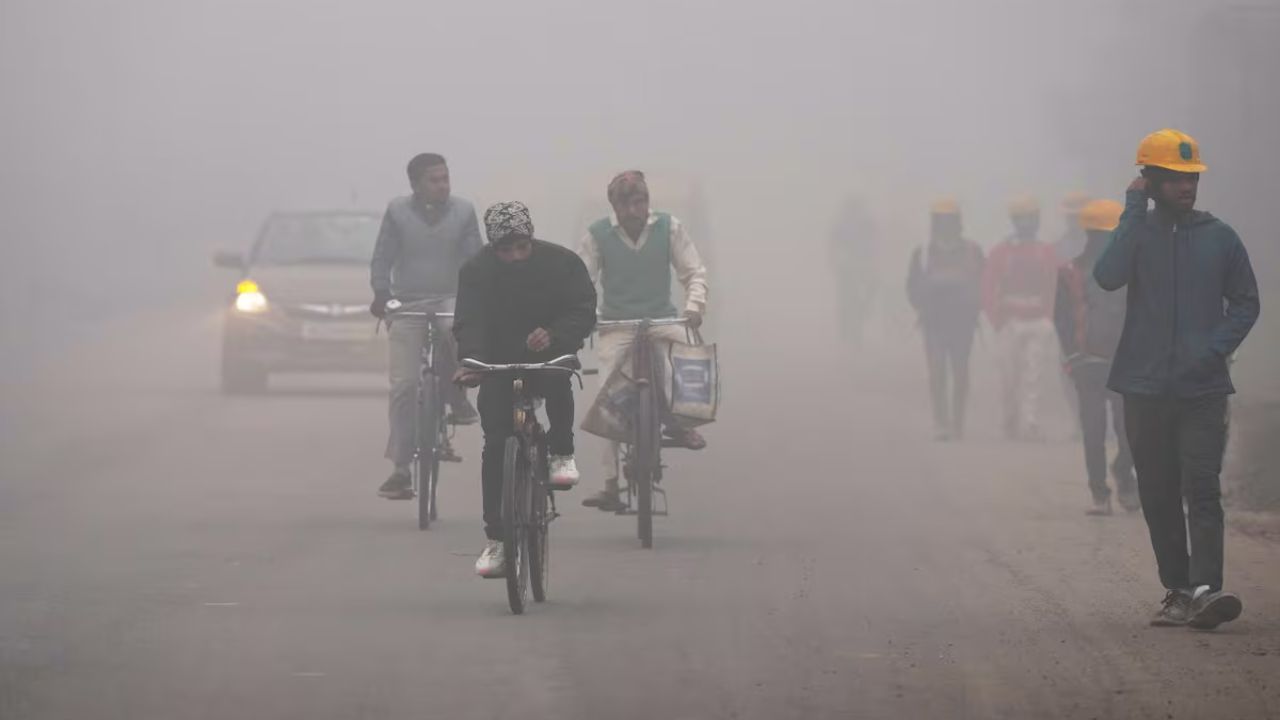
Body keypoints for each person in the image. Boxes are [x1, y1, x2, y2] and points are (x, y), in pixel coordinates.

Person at [1095, 129, 1259, 629]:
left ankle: (1208, 589)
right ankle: (1179, 587)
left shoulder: (1220, 237)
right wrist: (1130, 209)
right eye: (1176, 177)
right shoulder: (1137, 234)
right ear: (1150, 180)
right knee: (1159, 491)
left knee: (1202, 487)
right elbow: (1107, 275)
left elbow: (1247, 304)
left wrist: (1212, 351)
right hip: (1144, 388)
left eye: (1192, 177)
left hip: (1202, 390)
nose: (1188, 186)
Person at [452, 202, 597, 577]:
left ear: (531, 239)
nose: (514, 257)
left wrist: (555, 334)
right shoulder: (476, 272)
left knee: (557, 379)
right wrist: (471, 361)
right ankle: (497, 540)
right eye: (505, 250)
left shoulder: (562, 263)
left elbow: (582, 308)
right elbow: (469, 320)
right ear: (493, 248)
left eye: (521, 248)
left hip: (547, 353)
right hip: (496, 362)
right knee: (496, 443)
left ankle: (562, 453)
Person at [577, 170, 710, 512]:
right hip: (616, 326)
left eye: (642, 201)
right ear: (615, 206)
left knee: (685, 367)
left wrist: (694, 306)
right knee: (606, 398)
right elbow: (581, 281)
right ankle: (610, 483)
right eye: (629, 203)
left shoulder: (669, 228)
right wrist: (587, 313)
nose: (637, 210)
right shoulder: (597, 235)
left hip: (663, 320)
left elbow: (694, 271)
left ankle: (683, 425)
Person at [369, 153, 483, 500]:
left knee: (455, 332)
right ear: (416, 184)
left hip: (450, 298)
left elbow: (475, 257)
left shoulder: (464, 212)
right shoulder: (397, 212)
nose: (443, 185)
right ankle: (401, 469)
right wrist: (381, 292)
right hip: (408, 303)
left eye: (446, 178)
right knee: (403, 385)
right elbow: (383, 257)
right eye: (434, 180)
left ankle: (456, 394)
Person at [1053, 199, 1137, 515]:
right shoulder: (1070, 272)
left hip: (1124, 361)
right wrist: (1072, 356)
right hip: (1088, 362)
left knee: (1128, 430)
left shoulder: (1135, 269)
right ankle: (1101, 493)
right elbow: (1061, 317)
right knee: (1095, 430)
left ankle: (1121, 477)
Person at [982, 195, 1059, 441]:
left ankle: (1031, 423)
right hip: (1010, 321)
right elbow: (988, 287)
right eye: (1022, 218)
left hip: (1038, 321)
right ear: (1014, 221)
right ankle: (1010, 419)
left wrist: (1049, 317)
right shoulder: (1001, 252)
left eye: (1031, 218)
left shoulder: (1046, 251)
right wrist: (996, 319)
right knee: (1008, 375)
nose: (1027, 223)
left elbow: (1053, 285)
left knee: (1034, 374)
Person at [906, 198, 984, 440]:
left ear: (958, 223)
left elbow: (984, 282)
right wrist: (924, 307)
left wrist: (974, 307)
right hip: (934, 324)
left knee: (960, 373)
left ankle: (957, 423)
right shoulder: (924, 252)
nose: (945, 226)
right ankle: (941, 422)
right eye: (941, 221)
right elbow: (912, 286)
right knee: (938, 371)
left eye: (949, 221)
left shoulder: (973, 251)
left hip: (963, 324)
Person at [830, 196, 881, 346]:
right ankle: (849, 325)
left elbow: (876, 244)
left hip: (860, 267)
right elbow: (832, 246)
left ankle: (861, 314)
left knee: (866, 294)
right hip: (849, 268)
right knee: (847, 299)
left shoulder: (867, 225)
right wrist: (835, 263)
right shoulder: (841, 225)